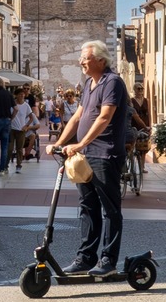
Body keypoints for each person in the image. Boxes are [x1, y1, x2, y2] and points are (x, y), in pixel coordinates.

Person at [53, 40, 129, 278]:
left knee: (110, 210)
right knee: (88, 207)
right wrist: (60, 143)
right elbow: (78, 116)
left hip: (105, 154)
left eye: (84, 58)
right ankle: (86, 258)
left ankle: (108, 260)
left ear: (100, 59)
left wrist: (81, 143)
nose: (81, 62)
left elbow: (105, 117)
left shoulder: (112, 82)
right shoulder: (89, 84)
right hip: (85, 155)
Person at [10, 89, 34, 171]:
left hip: (21, 129)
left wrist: (26, 126)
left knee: (19, 148)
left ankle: (19, 164)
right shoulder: (12, 104)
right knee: (9, 147)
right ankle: (6, 164)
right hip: (12, 129)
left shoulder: (26, 105)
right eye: (20, 94)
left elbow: (31, 117)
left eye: (23, 94)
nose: (22, 96)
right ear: (16, 95)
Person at [131, 91, 153, 170]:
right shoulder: (132, 100)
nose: (140, 91)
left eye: (141, 89)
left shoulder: (146, 100)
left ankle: (142, 167)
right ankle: (132, 166)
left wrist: (150, 126)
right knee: (132, 147)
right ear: (135, 90)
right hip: (134, 126)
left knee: (144, 148)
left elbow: (149, 114)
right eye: (138, 89)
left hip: (145, 126)